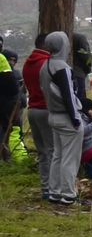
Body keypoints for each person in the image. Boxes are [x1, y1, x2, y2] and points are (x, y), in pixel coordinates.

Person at [38, 32, 85, 205]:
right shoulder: (62, 67)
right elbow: (69, 95)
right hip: (66, 117)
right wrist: (75, 119)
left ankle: (54, 192)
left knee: (58, 155)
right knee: (70, 158)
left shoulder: (45, 65)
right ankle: (68, 194)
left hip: (53, 115)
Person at [23, 34, 51, 193]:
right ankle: (55, 187)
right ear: (46, 45)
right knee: (53, 151)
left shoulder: (28, 63)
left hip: (32, 109)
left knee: (42, 152)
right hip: (46, 109)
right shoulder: (47, 64)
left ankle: (45, 187)